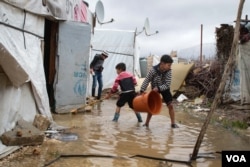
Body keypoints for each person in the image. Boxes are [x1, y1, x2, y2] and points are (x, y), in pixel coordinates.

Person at [140, 54, 179, 128]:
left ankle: (173, 123)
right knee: (151, 106)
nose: (170, 67)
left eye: (170, 65)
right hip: (155, 89)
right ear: (162, 63)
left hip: (164, 88)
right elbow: (147, 80)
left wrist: (159, 88)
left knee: (170, 105)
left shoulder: (169, 71)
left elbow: (167, 85)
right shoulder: (153, 70)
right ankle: (146, 123)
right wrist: (142, 90)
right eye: (169, 65)